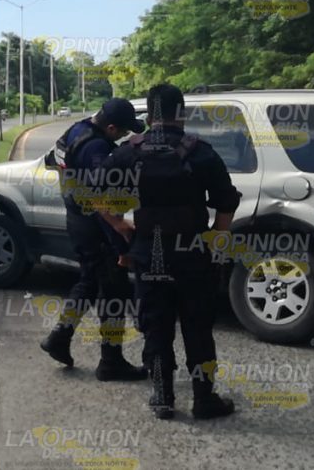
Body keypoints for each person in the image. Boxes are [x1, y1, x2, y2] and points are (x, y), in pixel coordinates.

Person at [100, 84, 238, 419]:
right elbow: (225, 203)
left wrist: (122, 227)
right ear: (182, 113)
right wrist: (216, 243)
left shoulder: (128, 152)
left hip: (148, 252)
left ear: (148, 115)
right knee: (198, 327)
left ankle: (163, 397)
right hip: (193, 253)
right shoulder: (201, 152)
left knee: (156, 325)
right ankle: (204, 399)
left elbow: (98, 198)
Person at [39, 98, 148, 381]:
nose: (125, 136)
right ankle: (111, 362)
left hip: (76, 219)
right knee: (114, 292)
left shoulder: (76, 129)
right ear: (110, 126)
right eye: (122, 131)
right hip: (97, 223)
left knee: (88, 281)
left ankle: (59, 338)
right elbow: (96, 193)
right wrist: (118, 226)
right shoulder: (97, 148)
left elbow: (55, 162)